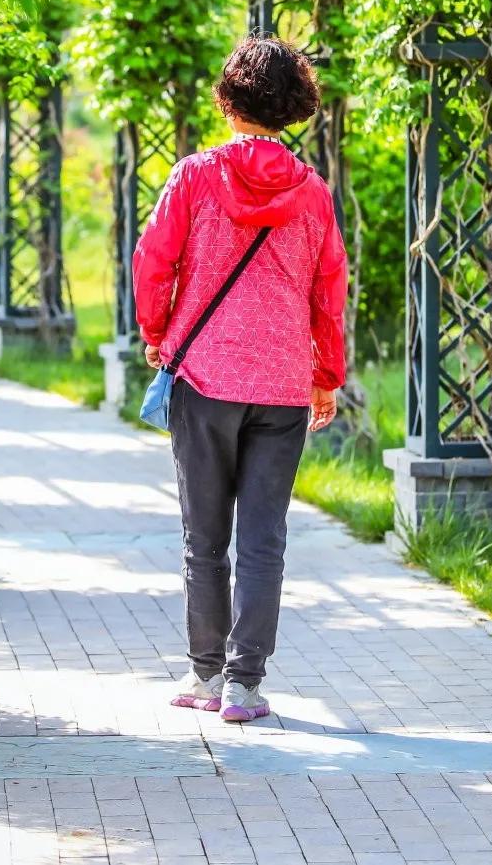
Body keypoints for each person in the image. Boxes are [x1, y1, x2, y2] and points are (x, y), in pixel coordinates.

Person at [132, 35, 348, 723]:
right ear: (295, 107)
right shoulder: (312, 193)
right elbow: (329, 287)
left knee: (204, 535)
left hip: (203, 376)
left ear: (227, 101)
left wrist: (156, 331)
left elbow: (153, 260)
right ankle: (244, 684)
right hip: (283, 386)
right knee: (264, 537)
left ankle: (204, 673)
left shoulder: (195, 175)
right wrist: (326, 374)